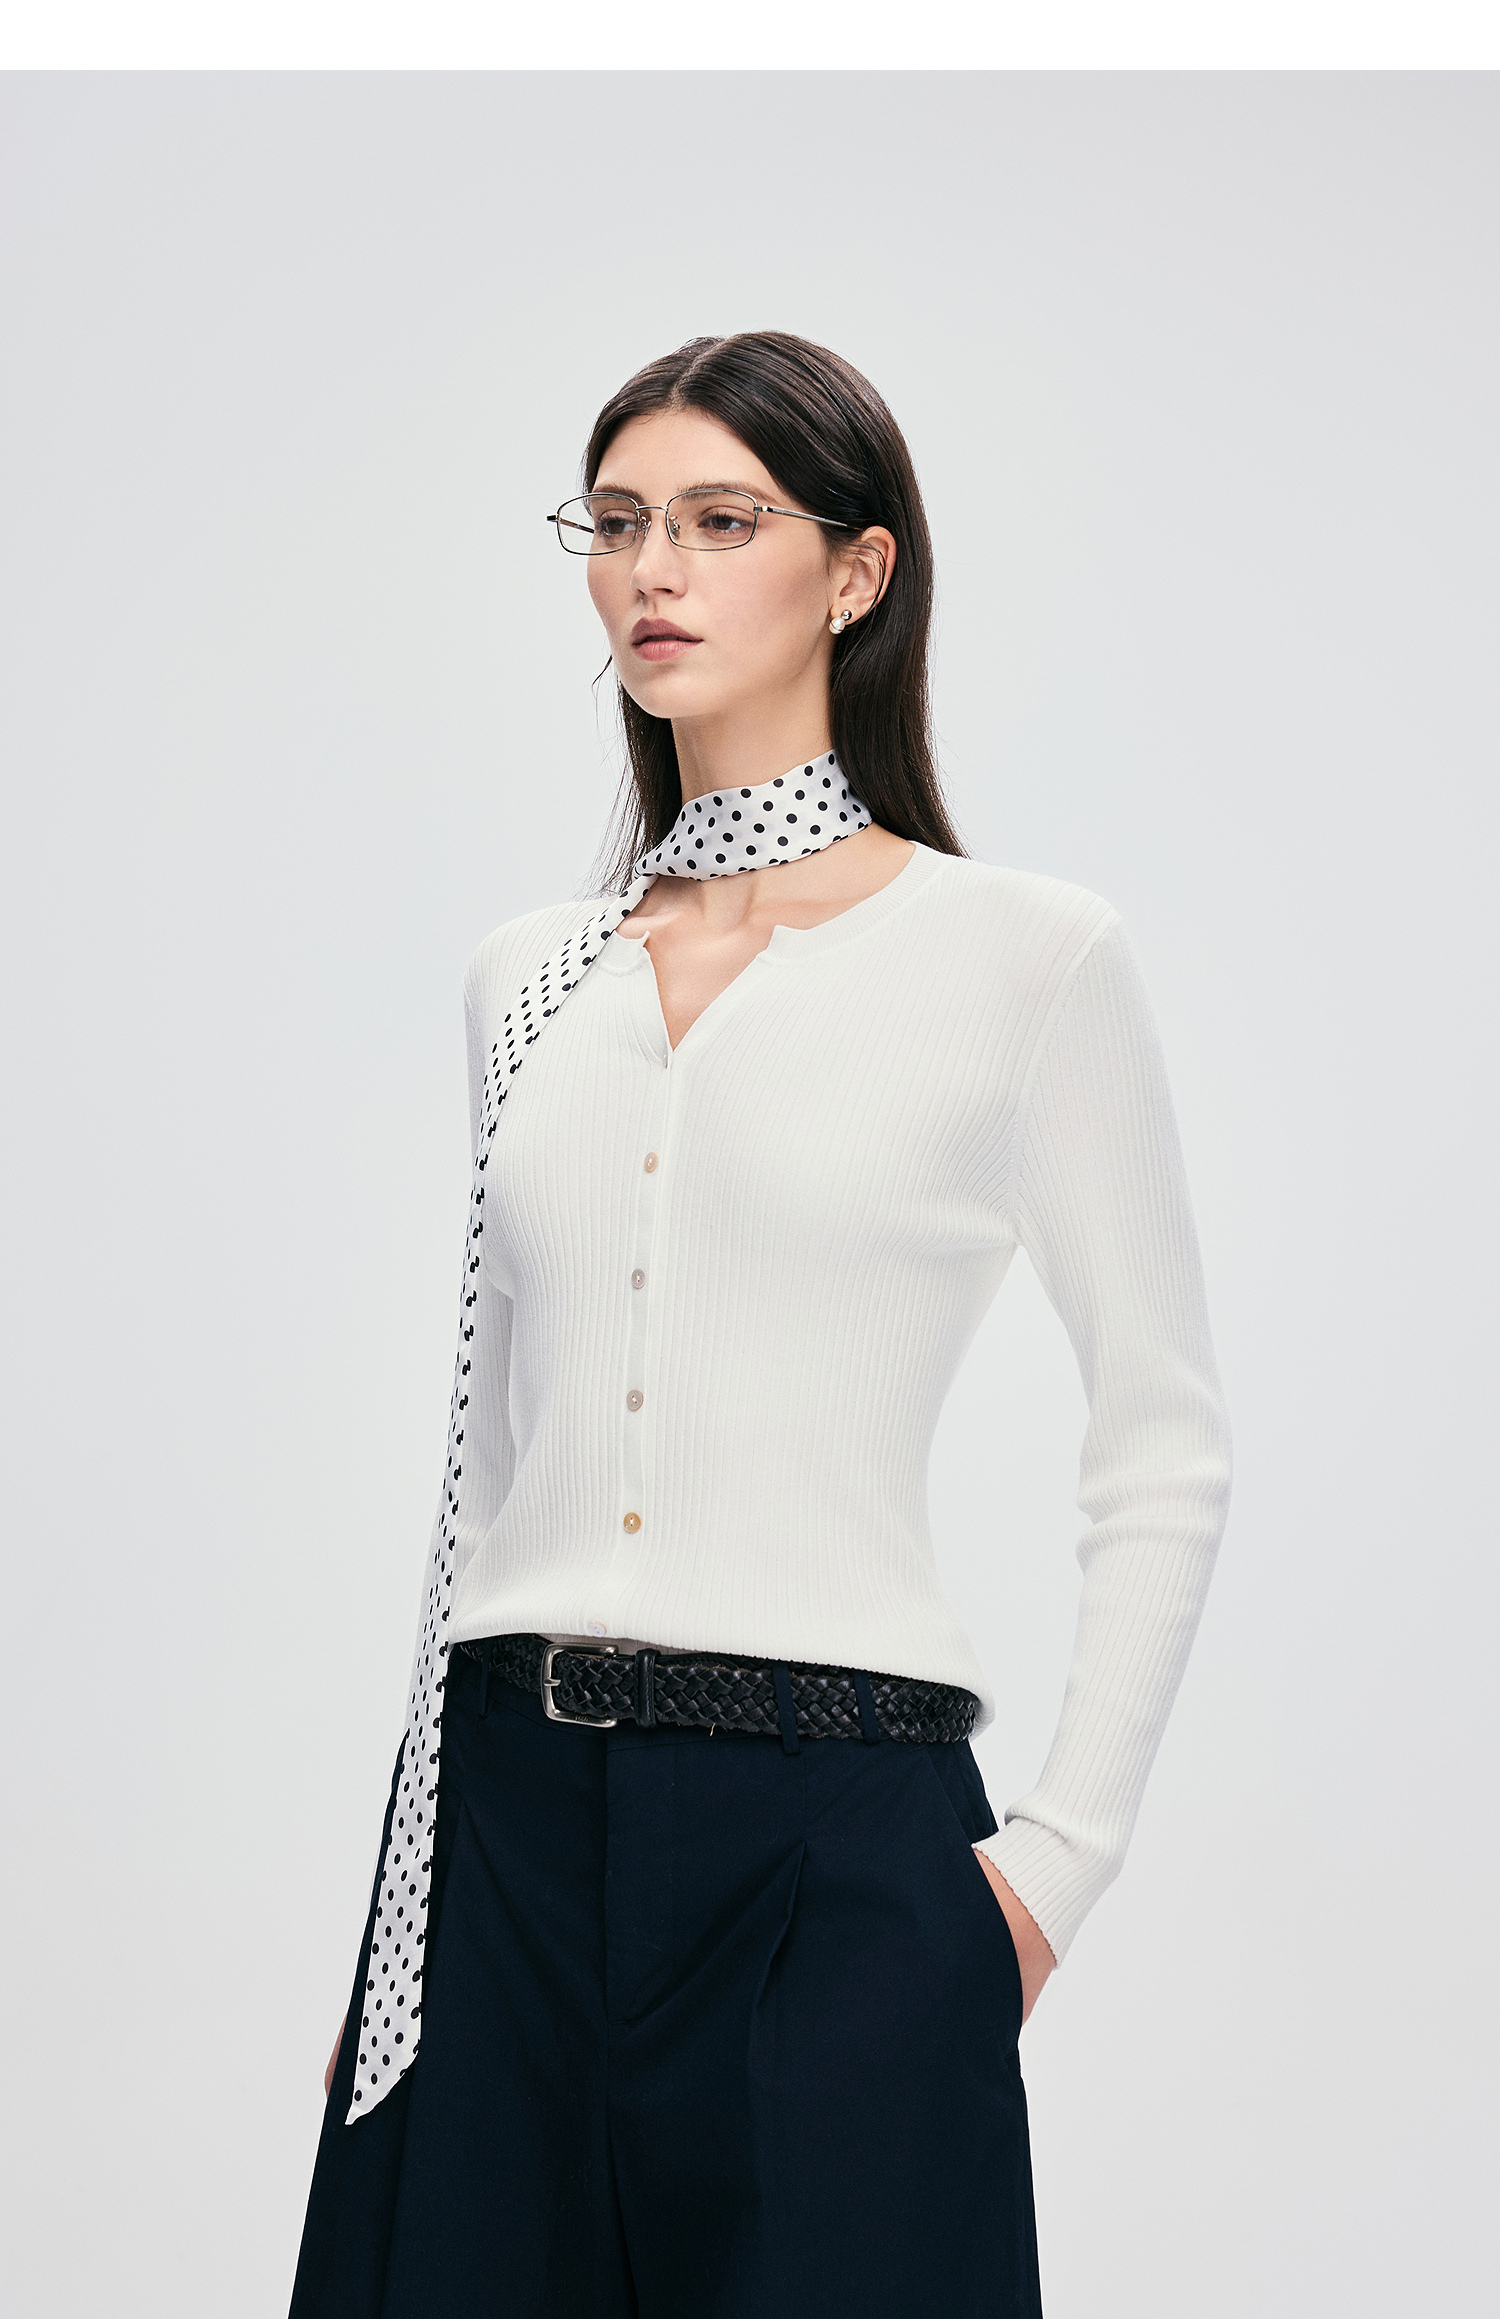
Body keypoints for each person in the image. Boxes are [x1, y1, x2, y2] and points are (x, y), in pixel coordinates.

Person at [288, 329, 1232, 2319]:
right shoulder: (528, 977)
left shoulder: (1025, 959)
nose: (655, 570)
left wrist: (1048, 1875)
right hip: (501, 1830)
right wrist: (427, 1896)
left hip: (836, 1835)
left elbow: (1163, 1439)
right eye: (620, 521)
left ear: (857, 571)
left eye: (723, 521)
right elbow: (498, 1458)